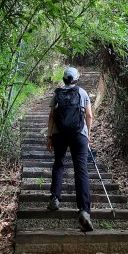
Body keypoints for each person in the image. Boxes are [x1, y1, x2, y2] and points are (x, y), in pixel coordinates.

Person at [46, 66, 93, 232]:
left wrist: (49, 136)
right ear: (76, 79)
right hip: (79, 134)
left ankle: (55, 198)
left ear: (64, 79)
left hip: (59, 134)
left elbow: (52, 116)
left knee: (59, 164)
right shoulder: (82, 93)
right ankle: (84, 211)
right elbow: (89, 116)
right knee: (81, 170)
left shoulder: (57, 93)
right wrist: (87, 136)